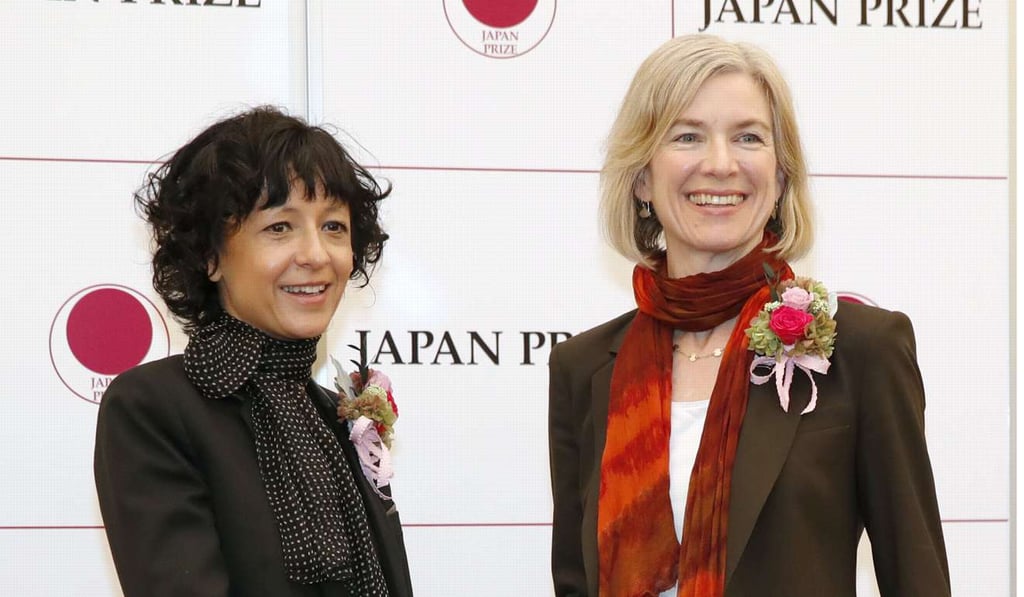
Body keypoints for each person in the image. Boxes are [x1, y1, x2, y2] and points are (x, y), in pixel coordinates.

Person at [547, 35, 949, 597]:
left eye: (748, 137)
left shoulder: (863, 350)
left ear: (781, 176)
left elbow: (917, 577)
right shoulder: (583, 367)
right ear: (641, 178)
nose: (720, 164)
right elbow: (575, 580)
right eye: (687, 136)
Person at [94, 106, 414, 597]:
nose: (315, 255)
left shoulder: (335, 414)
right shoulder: (154, 407)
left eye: (334, 226)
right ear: (210, 255)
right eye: (279, 227)